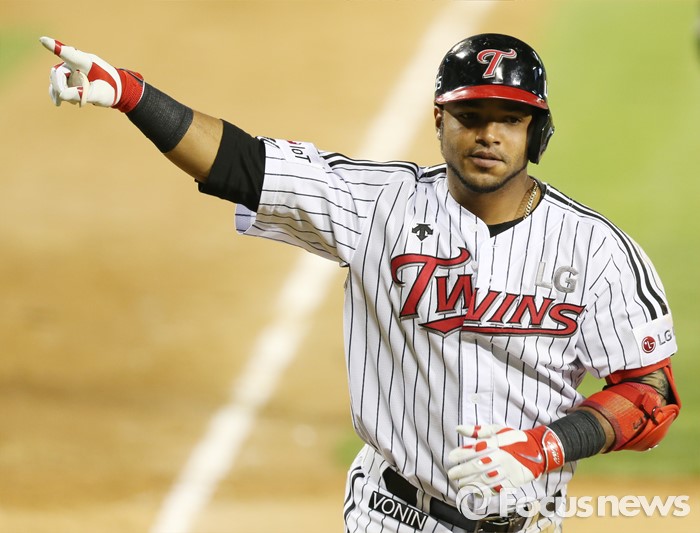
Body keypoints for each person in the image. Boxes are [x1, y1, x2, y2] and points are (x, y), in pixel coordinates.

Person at [40, 33, 681, 533]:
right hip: (389, 514)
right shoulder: (379, 206)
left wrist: (546, 446)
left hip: (527, 520)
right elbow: (243, 166)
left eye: (508, 119)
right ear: (439, 121)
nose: (487, 134)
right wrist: (131, 94)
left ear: (536, 132)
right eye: (469, 115)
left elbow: (649, 396)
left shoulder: (596, 252)